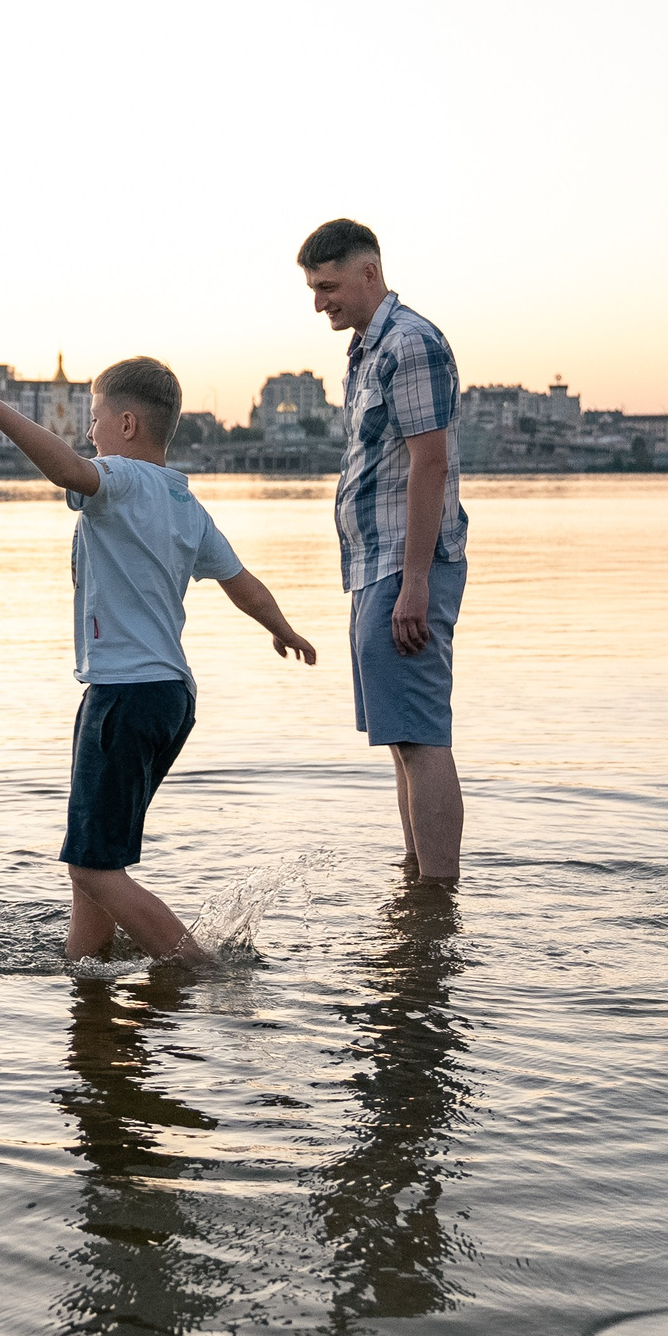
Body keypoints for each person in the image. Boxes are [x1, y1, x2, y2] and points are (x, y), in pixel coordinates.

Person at [0, 354, 318, 962]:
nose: (89, 431)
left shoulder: (121, 480)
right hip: (168, 696)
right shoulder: (186, 503)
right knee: (93, 863)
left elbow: (66, 469)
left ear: (127, 425)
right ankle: (88, 977)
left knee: (94, 871)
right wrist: (281, 627)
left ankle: (204, 971)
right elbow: (241, 582)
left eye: (95, 417)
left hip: (125, 696)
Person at [300, 219, 469, 882]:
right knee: (403, 738)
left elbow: (431, 463)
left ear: (368, 272)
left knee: (421, 735)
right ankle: (418, 883)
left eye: (328, 286)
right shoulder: (370, 350)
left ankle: (436, 896)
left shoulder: (411, 343)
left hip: (406, 568)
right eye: (314, 289)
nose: (320, 302)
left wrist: (416, 581)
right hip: (377, 567)